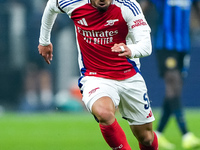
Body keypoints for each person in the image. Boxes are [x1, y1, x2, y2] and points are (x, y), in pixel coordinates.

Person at [38, 0, 159, 149]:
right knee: (104, 113)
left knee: (146, 138)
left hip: (129, 76)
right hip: (95, 76)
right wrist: (44, 41)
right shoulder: (73, 2)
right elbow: (51, 6)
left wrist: (131, 50)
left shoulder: (128, 5)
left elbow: (146, 45)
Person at [139, 0, 200, 149]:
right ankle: (186, 134)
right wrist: (134, 28)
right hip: (165, 45)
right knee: (173, 83)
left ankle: (158, 134)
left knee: (175, 90)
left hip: (184, 46)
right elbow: (144, 6)